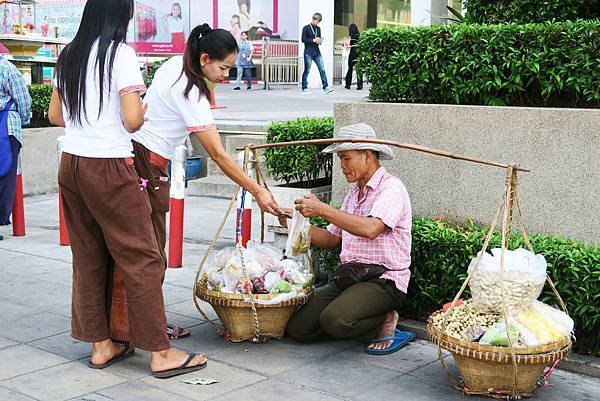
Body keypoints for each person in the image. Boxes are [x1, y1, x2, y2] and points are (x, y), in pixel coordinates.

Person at [48, 0, 206, 379]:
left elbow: (55, 116)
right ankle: (161, 352)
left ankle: (101, 346)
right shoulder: (120, 54)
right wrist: (129, 117)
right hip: (109, 166)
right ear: (122, 17)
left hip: (71, 162)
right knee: (143, 257)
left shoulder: (68, 53)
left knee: (88, 256)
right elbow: (134, 120)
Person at [108, 24, 280, 346]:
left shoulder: (175, 64)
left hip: (133, 156)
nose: (226, 75)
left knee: (136, 250)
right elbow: (217, 153)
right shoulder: (190, 89)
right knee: (149, 253)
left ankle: (130, 326)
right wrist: (257, 190)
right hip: (150, 165)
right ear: (204, 58)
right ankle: (149, 329)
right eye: (223, 67)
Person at [284, 123, 414, 355]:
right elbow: (332, 239)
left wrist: (322, 209)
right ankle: (350, 317)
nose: (342, 166)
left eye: (346, 158)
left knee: (335, 319)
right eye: (340, 159)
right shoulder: (354, 194)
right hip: (351, 276)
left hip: (384, 279)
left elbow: (371, 228)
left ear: (367, 155)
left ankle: (384, 320)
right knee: (298, 328)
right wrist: (294, 223)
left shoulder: (391, 188)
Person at [0, 54, 32, 241]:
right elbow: (24, 100)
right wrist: (24, 119)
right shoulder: (7, 69)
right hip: (6, 128)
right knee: (5, 173)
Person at [301, 13, 332, 95]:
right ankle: (304, 87)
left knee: (322, 68)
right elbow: (303, 39)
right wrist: (313, 40)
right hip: (308, 51)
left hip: (317, 51)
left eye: (318, 21)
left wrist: (319, 40)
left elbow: (318, 38)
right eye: (316, 21)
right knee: (307, 70)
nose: (317, 23)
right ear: (313, 19)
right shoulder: (306, 28)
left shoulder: (318, 29)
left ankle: (325, 87)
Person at [344, 24, 363, 90]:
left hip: (352, 54)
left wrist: (348, 46)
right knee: (358, 70)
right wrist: (349, 45)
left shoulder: (353, 36)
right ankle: (360, 85)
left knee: (350, 69)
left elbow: (354, 45)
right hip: (358, 54)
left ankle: (348, 84)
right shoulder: (358, 35)